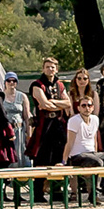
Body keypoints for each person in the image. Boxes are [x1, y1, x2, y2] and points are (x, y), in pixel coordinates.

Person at [27, 56, 68, 200]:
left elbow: (68, 103)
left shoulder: (60, 85)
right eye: (47, 67)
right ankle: (38, 193)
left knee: (58, 158)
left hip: (58, 125)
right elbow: (44, 105)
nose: (50, 69)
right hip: (43, 127)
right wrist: (56, 104)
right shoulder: (37, 84)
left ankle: (56, 191)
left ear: (56, 69)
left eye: (53, 67)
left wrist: (53, 102)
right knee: (41, 159)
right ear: (43, 69)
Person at [63, 93, 104, 202]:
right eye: (83, 105)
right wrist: (64, 161)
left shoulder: (95, 119)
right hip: (77, 155)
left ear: (93, 107)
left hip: (92, 153)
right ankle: (94, 194)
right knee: (98, 162)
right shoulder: (74, 120)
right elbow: (70, 142)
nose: (87, 108)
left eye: (89, 105)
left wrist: (96, 152)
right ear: (78, 108)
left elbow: (94, 139)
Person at [0, 73, 28, 165]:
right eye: (9, 80)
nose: (11, 83)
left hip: (19, 130)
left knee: (19, 153)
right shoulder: (0, 96)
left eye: (14, 81)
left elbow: (27, 116)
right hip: (5, 130)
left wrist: (29, 134)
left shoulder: (22, 96)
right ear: (5, 82)